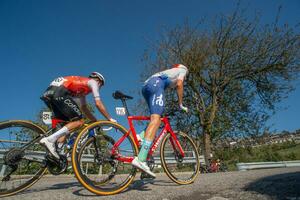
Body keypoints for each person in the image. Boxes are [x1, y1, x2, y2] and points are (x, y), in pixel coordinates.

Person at [40, 72, 116, 159]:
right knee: (79, 121)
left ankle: (57, 152)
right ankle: (50, 140)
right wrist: (109, 118)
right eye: (101, 86)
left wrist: (95, 122)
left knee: (66, 125)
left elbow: (84, 108)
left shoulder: (82, 89)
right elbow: (98, 104)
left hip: (49, 93)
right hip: (59, 92)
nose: (99, 87)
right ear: (99, 81)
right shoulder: (93, 82)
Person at [132, 64, 189, 177]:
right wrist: (181, 104)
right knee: (156, 119)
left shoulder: (168, 72)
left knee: (155, 118)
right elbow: (179, 84)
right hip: (156, 85)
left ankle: (141, 137)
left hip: (146, 86)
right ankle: (141, 158)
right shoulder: (182, 70)